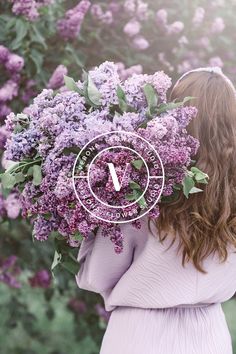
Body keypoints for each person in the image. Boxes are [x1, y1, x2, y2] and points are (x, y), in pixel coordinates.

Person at [76, 67, 236, 354]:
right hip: (210, 335)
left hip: (139, 335)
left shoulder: (140, 187)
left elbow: (98, 274)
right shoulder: (231, 195)